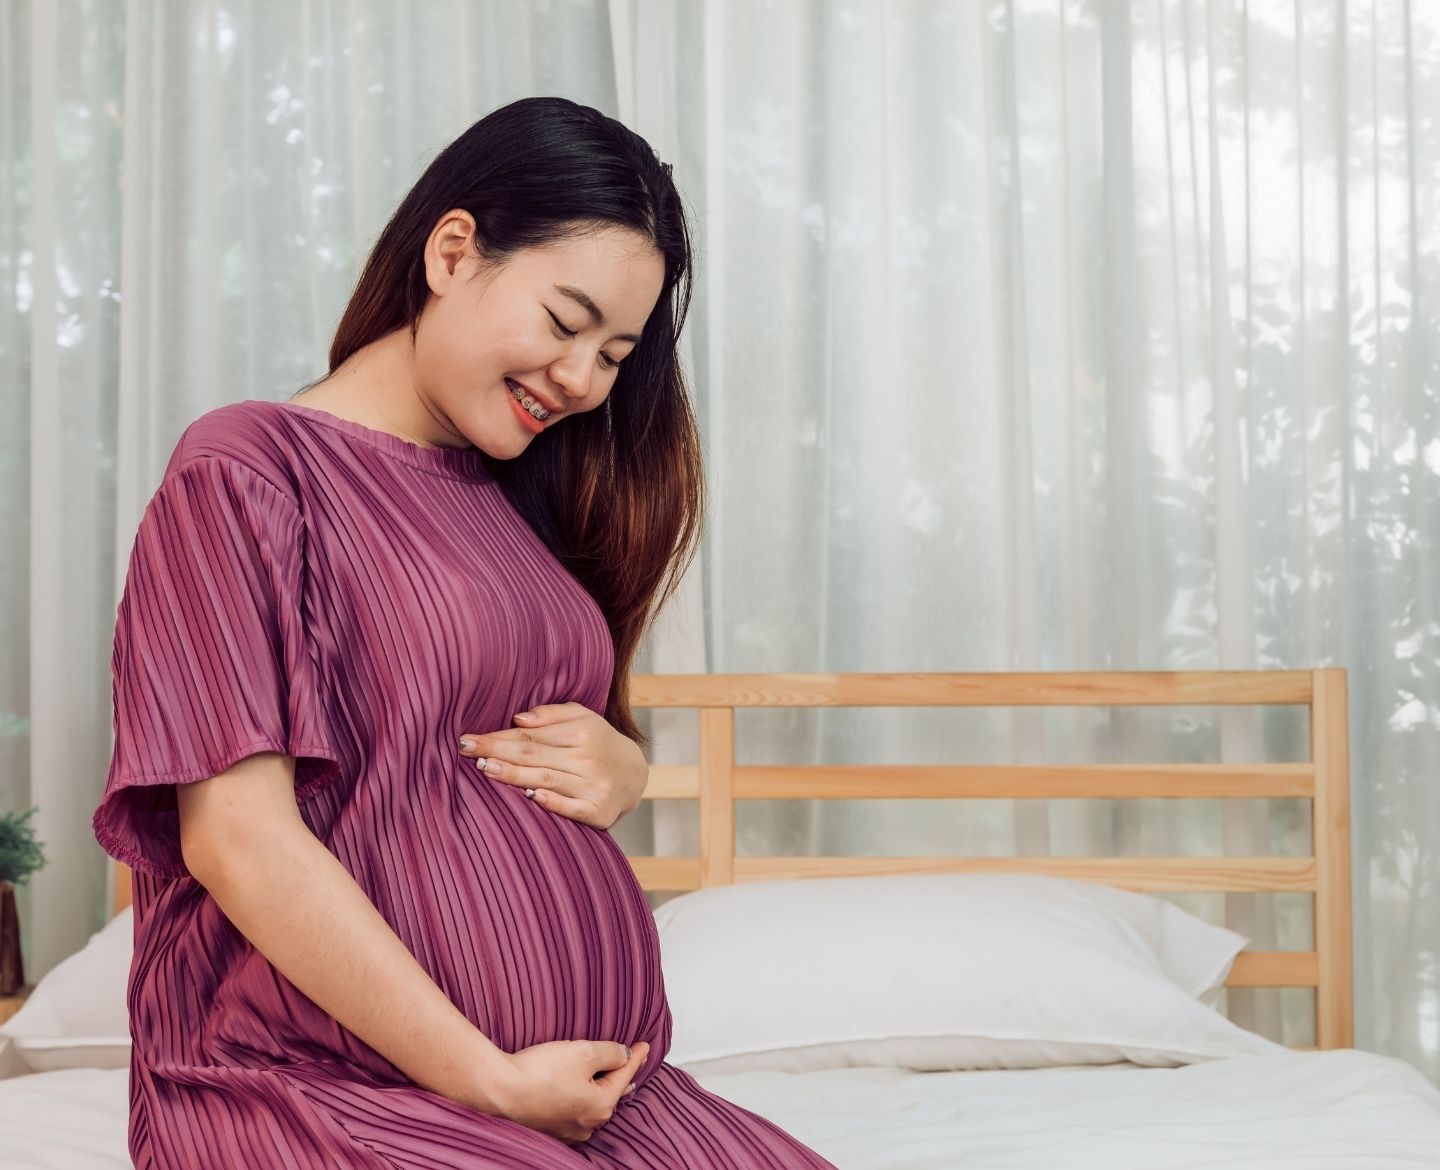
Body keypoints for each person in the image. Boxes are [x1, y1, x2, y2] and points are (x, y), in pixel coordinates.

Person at [92, 95, 839, 1168]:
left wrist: (623, 767)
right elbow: (236, 838)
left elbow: (478, 752)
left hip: (596, 1102)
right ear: (453, 251)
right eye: (565, 322)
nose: (583, 380)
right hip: (310, 1088)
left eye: (617, 353)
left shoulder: (513, 501)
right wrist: (486, 1076)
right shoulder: (246, 472)